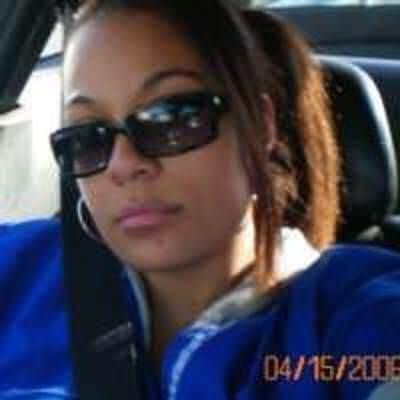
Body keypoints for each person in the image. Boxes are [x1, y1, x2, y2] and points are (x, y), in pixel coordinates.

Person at [0, 0, 399, 399]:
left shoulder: (351, 316)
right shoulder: (20, 269)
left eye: (170, 118)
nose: (123, 165)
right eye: (89, 135)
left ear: (260, 126)